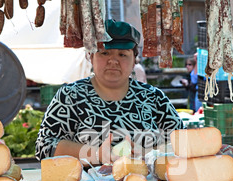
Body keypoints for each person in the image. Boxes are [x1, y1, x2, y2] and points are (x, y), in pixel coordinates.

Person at [35, 19, 185, 166]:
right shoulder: (70, 96)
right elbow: (44, 147)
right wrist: (96, 154)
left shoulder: (154, 98)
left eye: (122, 54)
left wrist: (150, 153)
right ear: (90, 56)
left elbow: (183, 142)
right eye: (105, 53)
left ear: (134, 61)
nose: (113, 60)